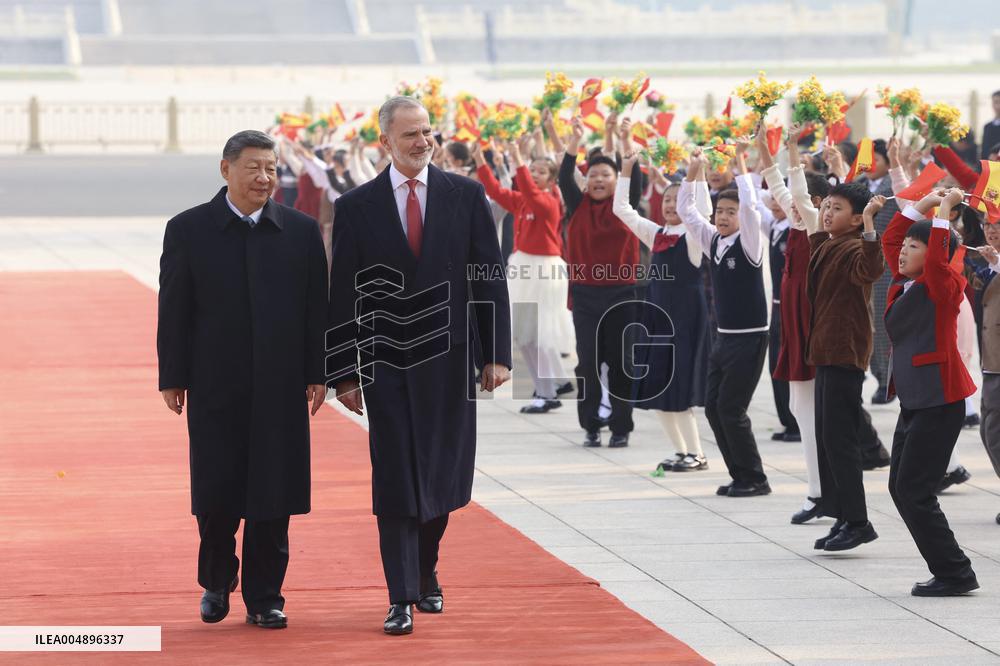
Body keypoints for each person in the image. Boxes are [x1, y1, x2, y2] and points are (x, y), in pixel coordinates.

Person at [327, 96, 512, 636]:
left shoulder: (465, 195)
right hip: (385, 363)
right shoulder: (356, 206)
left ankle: (426, 566)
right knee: (395, 479)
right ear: (385, 141)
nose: (422, 142)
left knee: (441, 474)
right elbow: (344, 294)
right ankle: (401, 595)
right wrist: (343, 371)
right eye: (410, 134)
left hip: (449, 360)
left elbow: (488, 275)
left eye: (427, 131)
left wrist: (496, 353)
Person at [157, 130, 329, 630]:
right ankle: (216, 581)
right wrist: (173, 375)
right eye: (253, 167)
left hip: (281, 385)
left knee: (275, 493)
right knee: (217, 492)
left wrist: (318, 371)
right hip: (215, 383)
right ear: (225, 169)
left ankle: (265, 596)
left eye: (271, 169)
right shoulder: (188, 229)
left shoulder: (299, 232)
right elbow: (174, 309)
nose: (264, 178)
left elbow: (317, 310)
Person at [880, 188, 979, 596]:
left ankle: (956, 572)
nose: (903, 251)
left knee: (914, 491)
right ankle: (951, 570)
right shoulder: (907, 281)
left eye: (914, 246)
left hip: (940, 399)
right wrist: (920, 208)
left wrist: (944, 211)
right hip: (916, 399)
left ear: (935, 251)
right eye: (906, 246)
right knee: (900, 488)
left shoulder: (944, 284)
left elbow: (939, 258)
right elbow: (890, 239)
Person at [677, 143, 770, 497]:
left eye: (731, 212)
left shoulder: (749, 243)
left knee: (731, 409)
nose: (723, 217)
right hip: (723, 337)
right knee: (714, 409)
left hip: (750, 337)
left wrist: (741, 160)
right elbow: (686, 210)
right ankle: (739, 475)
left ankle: (756, 478)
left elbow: (751, 207)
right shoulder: (712, 240)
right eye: (719, 211)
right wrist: (694, 169)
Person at [613, 152, 710, 472]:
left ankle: (697, 453)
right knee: (658, 387)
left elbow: (703, 211)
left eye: (677, 200)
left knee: (680, 388)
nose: (670, 205)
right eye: (667, 199)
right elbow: (621, 209)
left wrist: (696, 173)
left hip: (686, 322)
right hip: (657, 321)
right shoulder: (655, 234)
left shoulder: (695, 237)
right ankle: (681, 452)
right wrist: (626, 169)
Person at [756, 124, 829, 523]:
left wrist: (792, 148)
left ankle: (822, 492)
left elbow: (796, 192)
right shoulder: (796, 223)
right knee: (800, 410)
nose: (791, 206)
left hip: (813, 330)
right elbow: (776, 183)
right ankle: (818, 490)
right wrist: (763, 148)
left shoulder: (817, 226)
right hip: (793, 328)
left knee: (814, 414)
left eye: (804, 203)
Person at [807, 181, 886, 552]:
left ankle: (858, 522)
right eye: (827, 206)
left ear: (856, 219)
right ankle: (841, 514)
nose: (827, 213)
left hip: (844, 351)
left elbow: (871, 269)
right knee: (827, 438)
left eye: (837, 209)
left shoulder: (856, 245)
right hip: (825, 350)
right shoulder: (830, 243)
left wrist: (870, 223)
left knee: (841, 441)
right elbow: (813, 238)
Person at [559, 116, 642, 448]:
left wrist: (625, 139)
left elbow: (634, 174)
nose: (598, 180)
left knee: (622, 363)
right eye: (593, 175)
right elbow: (565, 174)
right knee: (589, 364)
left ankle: (621, 427)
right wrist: (574, 139)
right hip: (586, 297)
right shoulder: (576, 204)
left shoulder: (625, 206)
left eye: (606, 175)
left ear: (616, 180)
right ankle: (591, 425)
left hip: (623, 295)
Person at [474, 134, 569, 414]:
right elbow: (495, 191)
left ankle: (548, 390)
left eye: (542, 172)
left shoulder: (548, 202)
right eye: (533, 170)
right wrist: (480, 160)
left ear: (552, 181)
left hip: (543, 270)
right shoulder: (524, 201)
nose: (535, 175)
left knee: (537, 334)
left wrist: (517, 158)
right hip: (524, 268)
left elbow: (527, 188)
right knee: (524, 335)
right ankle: (545, 390)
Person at [982, 90, 1000, 161]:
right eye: (996, 102)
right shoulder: (987, 127)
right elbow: (984, 151)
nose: (998, 106)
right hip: (991, 164)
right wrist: (990, 156)